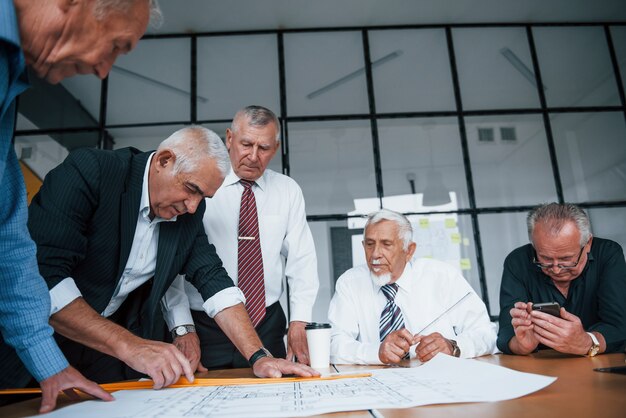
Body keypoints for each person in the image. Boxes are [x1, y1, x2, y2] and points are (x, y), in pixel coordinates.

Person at [9, 126, 318, 392]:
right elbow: (42, 277)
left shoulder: (187, 214)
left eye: (203, 198)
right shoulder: (91, 171)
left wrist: (259, 356)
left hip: (106, 356)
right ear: (164, 160)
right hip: (31, 343)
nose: (194, 207)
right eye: (191, 189)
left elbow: (213, 280)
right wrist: (131, 345)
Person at [0, 0, 158, 412]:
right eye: (115, 46)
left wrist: (50, 365)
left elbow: (9, 242)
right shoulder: (93, 169)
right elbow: (46, 265)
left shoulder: (10, 82)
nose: (103, 70)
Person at [163, 105, 319, 368]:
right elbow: (172, 262)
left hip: (267, 324)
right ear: (229, 138)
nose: (254, 156)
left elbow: (301, 262)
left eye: (264, 148)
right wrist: (181, 326)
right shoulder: (200, 186)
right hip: (205, 326)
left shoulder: (287, 191)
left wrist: (299, 321)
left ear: (276, 148)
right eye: (246, 144)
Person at [329, 209, 496, 365]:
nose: (375, 254)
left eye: (386, 244)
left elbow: (486, 334)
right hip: (378, 386)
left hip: (441, 382)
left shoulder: (442, 276)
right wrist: (376, 352)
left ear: (409, 251)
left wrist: (454, 347)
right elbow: (333, 344)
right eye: (370, 244)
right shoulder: (350, 283)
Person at [497, 203, 626, 356]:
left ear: (588, 244)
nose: (556, 269)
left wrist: (587, 341)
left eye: (566, 259)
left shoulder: (608, 254)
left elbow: (619, 326)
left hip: (600, 363)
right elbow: (506, 330)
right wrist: (520, 345)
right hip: (539, 366)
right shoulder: (517, 262)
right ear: (534, 245)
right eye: (545, 258)